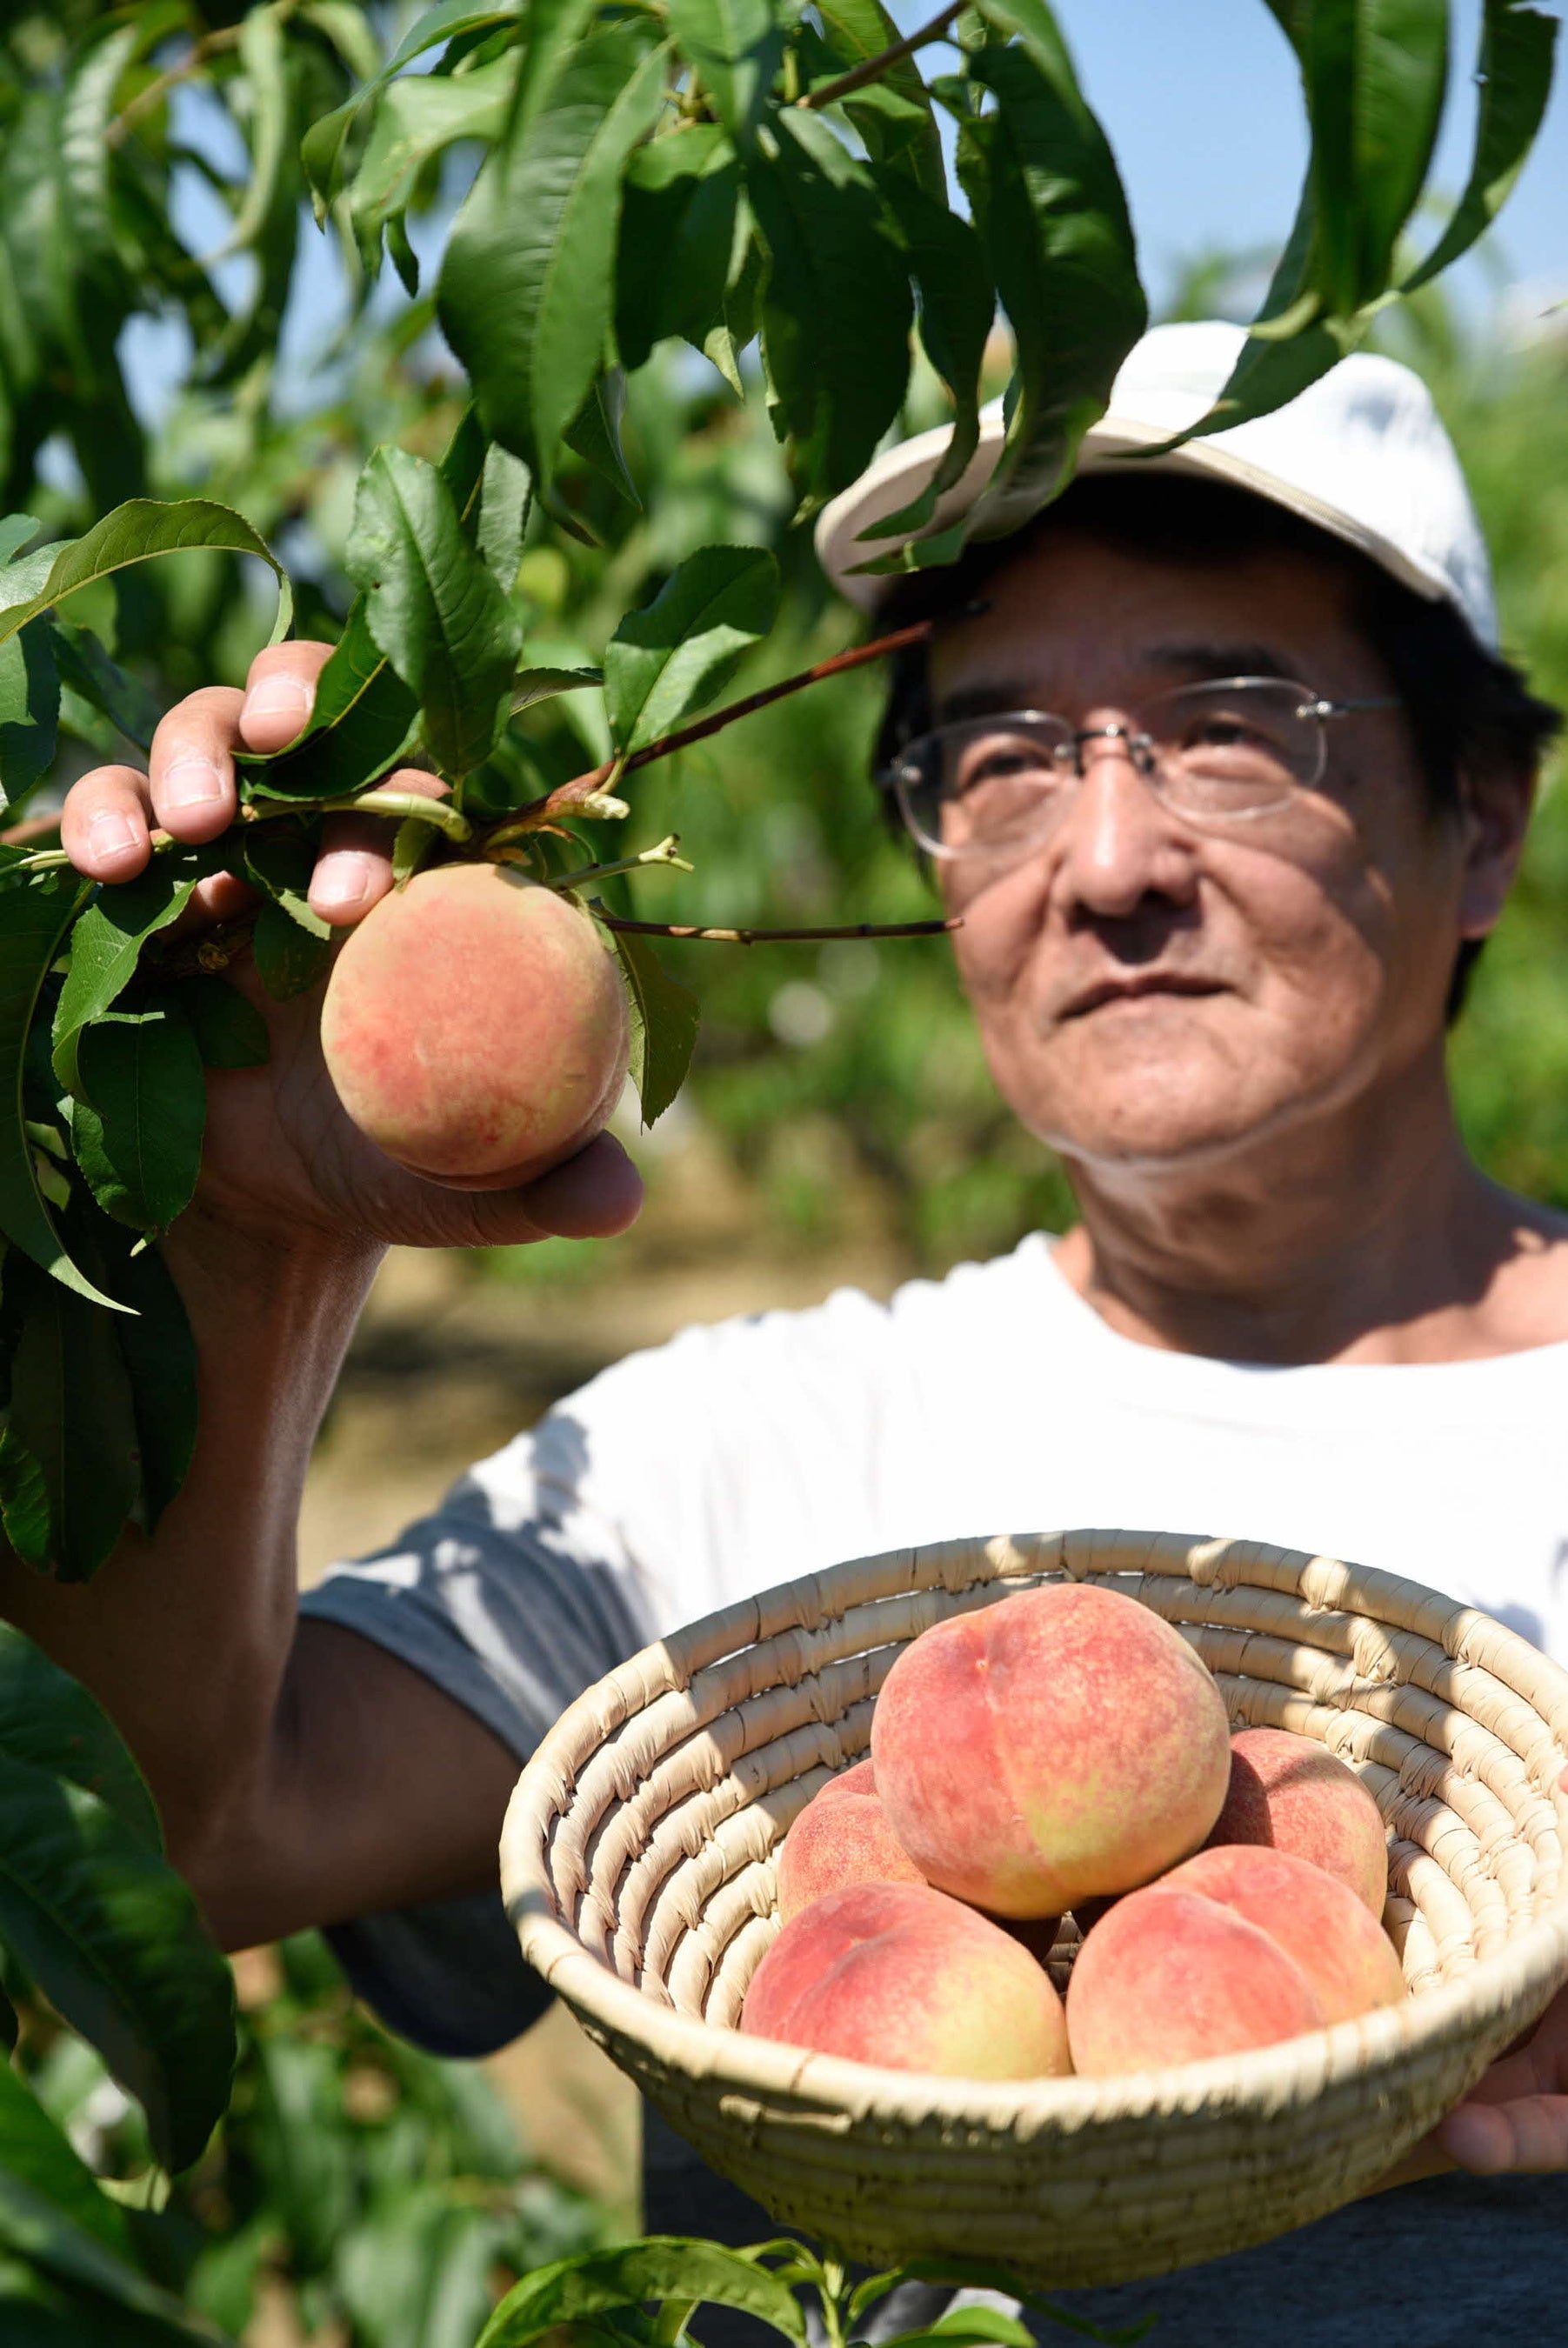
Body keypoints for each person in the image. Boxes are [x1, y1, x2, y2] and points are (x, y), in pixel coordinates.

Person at [14, 318, 1568, 2343]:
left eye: (1228, 722)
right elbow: (166, 1841)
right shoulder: (729, 1458)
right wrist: (250, 1230)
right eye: (999, 756)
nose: (1101, 863)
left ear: (1483, 816)